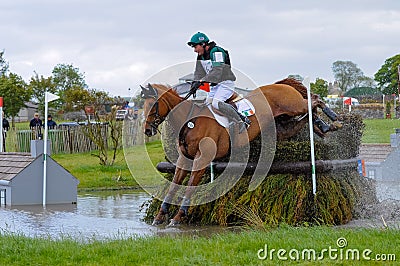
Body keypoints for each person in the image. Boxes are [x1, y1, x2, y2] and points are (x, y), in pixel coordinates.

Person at [187, 31, 250, 133]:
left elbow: (217, 71)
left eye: (195, 47)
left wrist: (202, 81)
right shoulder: (200, 56)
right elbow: (198, 73)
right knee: (207, 105)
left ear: (203, 44)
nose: (194, 50)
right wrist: (195, 83)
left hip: (226, 84)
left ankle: (241, 120)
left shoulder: (216, 51)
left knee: (216, 103)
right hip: (215, 86)